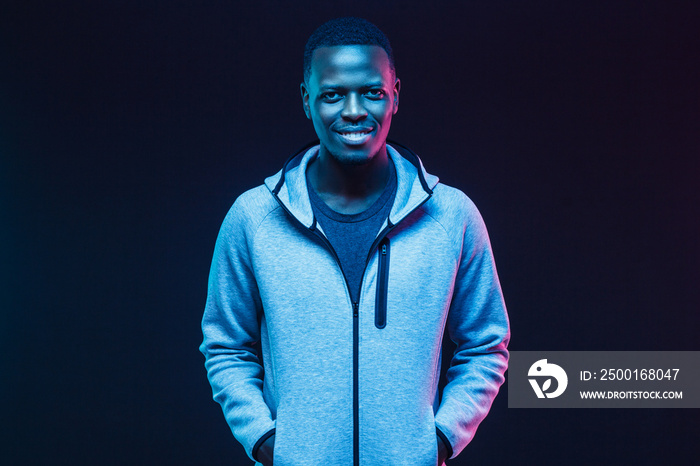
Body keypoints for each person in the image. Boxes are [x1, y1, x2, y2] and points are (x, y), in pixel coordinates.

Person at [200, 17, 510, 466]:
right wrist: (268, 442)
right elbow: (225, 344)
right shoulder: (253, 219)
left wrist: (439, 440)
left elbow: (486, 343)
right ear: (307, 100)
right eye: (332, 95)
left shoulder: (452, 217)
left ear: (395, 96)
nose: (352, 111)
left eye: (371, 92)